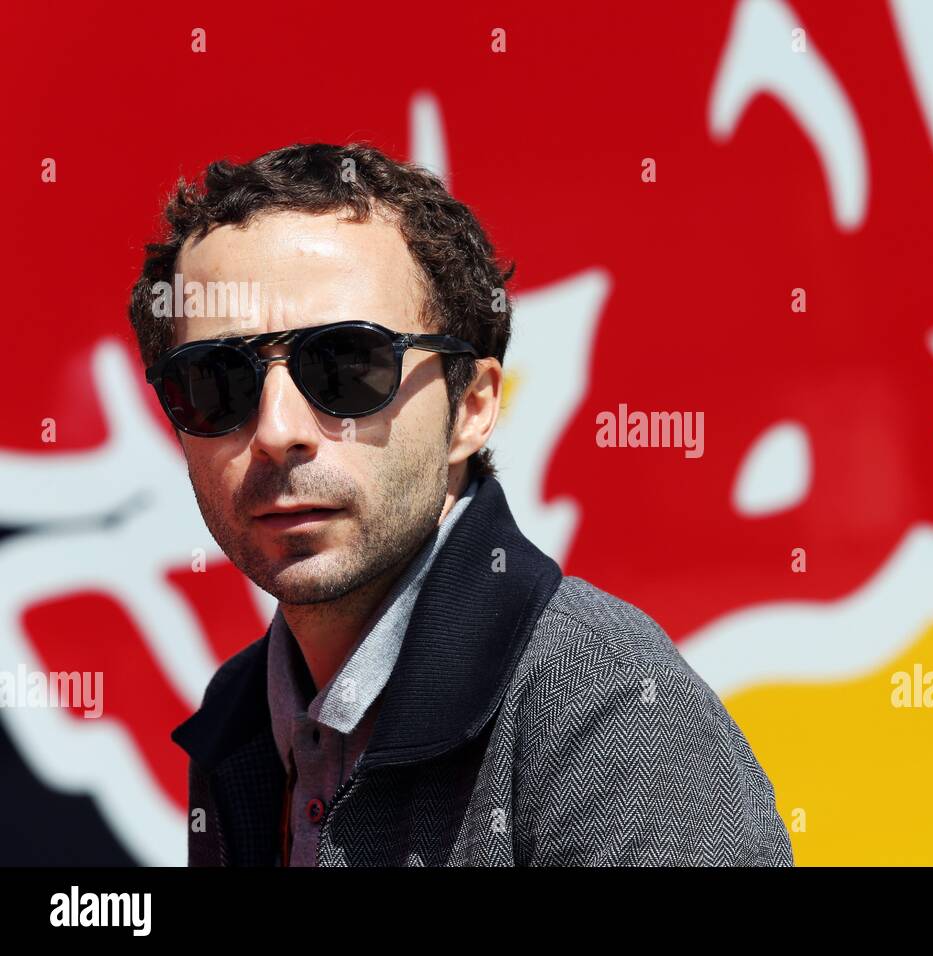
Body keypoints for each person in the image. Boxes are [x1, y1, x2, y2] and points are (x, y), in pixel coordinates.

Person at [127, 142, 793, 866]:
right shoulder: (241, 718)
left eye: (346, 365)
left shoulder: (608, 707)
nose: (277, 431)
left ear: (471, 409)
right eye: (215, 380)